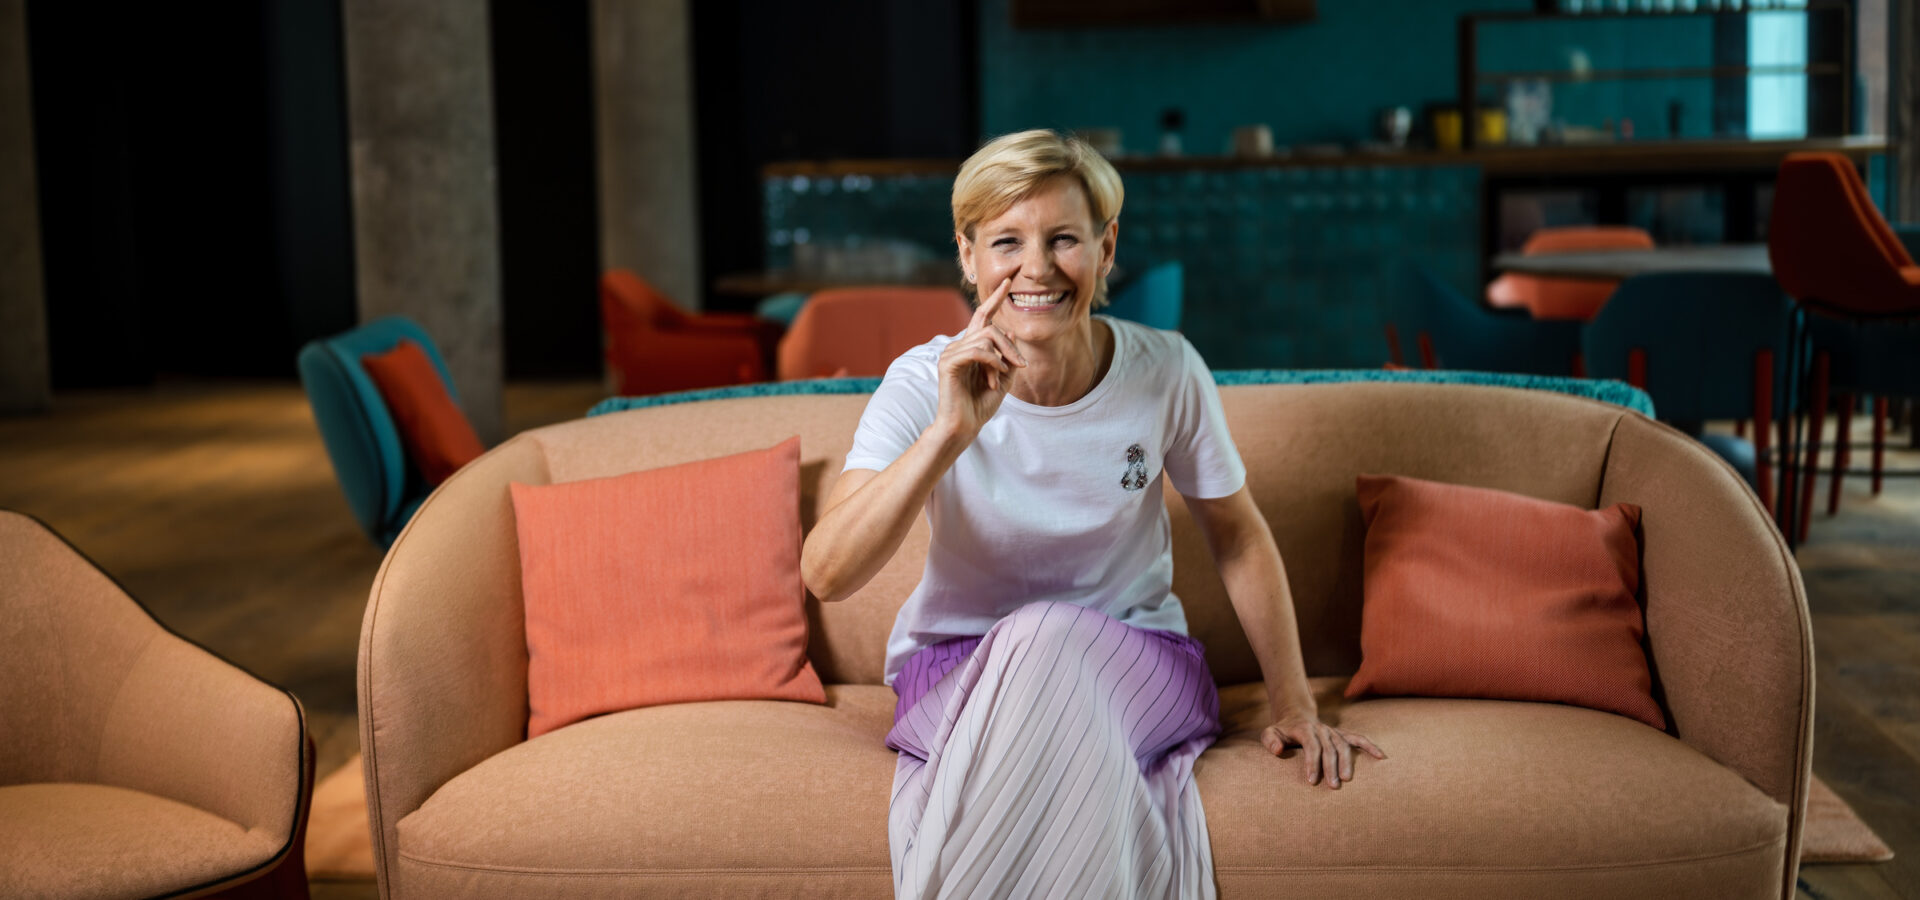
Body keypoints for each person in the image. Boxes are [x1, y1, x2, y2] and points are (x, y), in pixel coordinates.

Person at [800, 129, 1384, 899]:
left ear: (1106, 250)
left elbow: (1238, 537)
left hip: (1139, 666)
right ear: (968, 256)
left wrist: (1296, 703)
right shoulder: (920, 384)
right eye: (1006, 240)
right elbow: (827, 572)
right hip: (957, 673)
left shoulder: (1166, 370)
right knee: (1036, 649)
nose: (1036, 268)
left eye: (1064, 238)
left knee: (1046, 635)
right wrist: (949, 434)